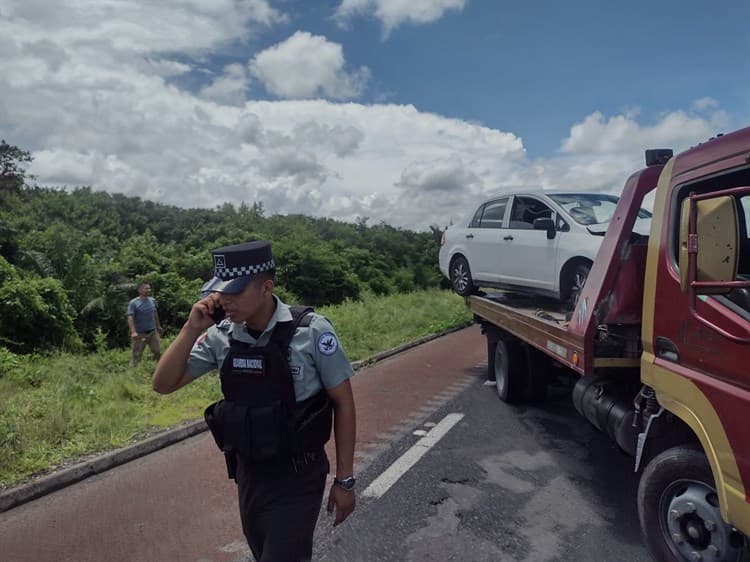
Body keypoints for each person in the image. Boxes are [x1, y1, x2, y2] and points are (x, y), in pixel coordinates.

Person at [152, 241, 356, 562]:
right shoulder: (222, 335)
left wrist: (345, 481)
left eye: (234, 291)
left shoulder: (312, 332)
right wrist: (191, 329)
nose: (224, 300)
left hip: (298, 477)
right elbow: (163, 384)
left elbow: (343, 403)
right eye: (220, 292)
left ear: (266, 287)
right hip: (248, 474)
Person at [127, 281, 163, 367]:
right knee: (137, 354)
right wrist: (133, 332)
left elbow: (154, 313)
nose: (148, 290)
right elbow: (130, 317)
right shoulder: (133, 303)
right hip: (140, 334)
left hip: (152, 332)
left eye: (149, 288)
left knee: (157, 351)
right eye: (146, 288)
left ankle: (157, 369)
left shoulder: (152, 300)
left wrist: (158, 326)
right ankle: (133, 372)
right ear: (139, 290)